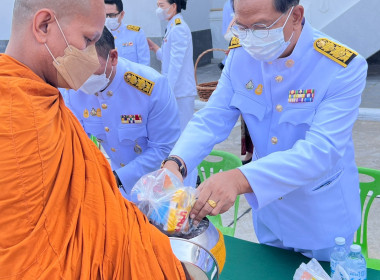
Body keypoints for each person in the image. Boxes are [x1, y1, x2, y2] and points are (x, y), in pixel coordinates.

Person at [163, 0, 368, 261]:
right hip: (269, 214)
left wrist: (239, 179)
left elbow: (321, 151)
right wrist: (176, 163)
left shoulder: (340, 67)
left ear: (296, 15)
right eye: (241, 27)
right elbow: (212, 117)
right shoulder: (241, 54)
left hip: (322, 219)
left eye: (260, 27)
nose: (250, 38)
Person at [0, 0, 190, 278]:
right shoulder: (18, 111)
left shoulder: (50, 94)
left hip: (151, 193)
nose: (90, 58)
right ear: (44, 25)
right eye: (88, 39)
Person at [63, 27, 181, 199]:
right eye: (78, 69)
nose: (84, 78)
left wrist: (117, 178)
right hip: (120, 187)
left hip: (163, 184)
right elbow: (77, 142)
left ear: (113, 57)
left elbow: (164, 148)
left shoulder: (150, 86)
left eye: (90, 68)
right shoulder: (74, 91)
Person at [148, 0, 198, 188]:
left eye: (161, 4)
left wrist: (165, 93)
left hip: (180, 93)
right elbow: (170, 58)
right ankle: (181, 184)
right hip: (176, 91)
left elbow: (176, 65)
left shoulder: (179, 28)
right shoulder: (172, 27)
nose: (158, 9)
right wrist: (156, 49)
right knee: (177, 142)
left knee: (184, 143)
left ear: (173, 5)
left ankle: (189, 187)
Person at [105, 0, 150, 66]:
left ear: (122, 14)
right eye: (105, 15)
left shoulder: (136, 34)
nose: (108, 18)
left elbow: (144, 65)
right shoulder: (99, 35)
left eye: (112, 15)